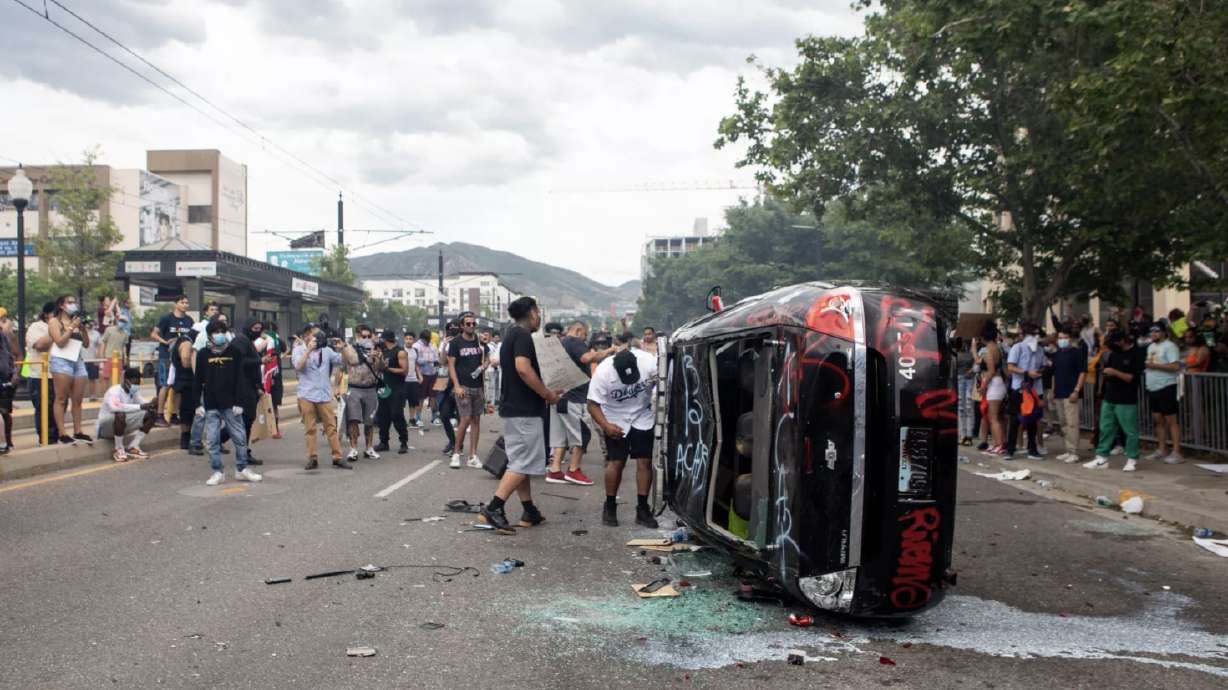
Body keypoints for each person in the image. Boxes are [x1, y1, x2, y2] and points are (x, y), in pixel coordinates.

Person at [479, 297, 562, 532]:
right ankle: (493, 508)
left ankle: (529, 510)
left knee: (520, 462)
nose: (539, 317)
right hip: (525, 410)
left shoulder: (511, 335)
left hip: (515, 408)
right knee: (523, 462)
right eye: (538, 312)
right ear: (533, 312)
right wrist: (547, 394)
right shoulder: (523, 336)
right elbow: (523, 369)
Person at [588, 332, 659, 528]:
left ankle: (642, 509)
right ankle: (610, 506)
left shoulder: (649, 362)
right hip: (614, 416)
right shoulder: (603, 372)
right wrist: (606, 426)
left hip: (642, 414)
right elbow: (592, 404)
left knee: (644, 461)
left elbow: (664, 384)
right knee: (616, 462)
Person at [547, 321, 615, 485]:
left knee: (561, 435)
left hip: (560, 396)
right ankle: (574, 470)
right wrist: (609, 351)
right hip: (574, 398)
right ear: (578, 331)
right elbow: (587, 357)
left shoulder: (560, 343)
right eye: (584, 335)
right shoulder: (574, 341)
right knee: (583, 434)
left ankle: (555, 470)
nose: (585, 339)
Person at [195, 319, 262, 485]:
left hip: (231, 404)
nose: (219, 335)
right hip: (211, 403)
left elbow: (240, 378)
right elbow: (198, 380)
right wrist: (197, 404)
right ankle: (217, 472)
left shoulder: (234, 352)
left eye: (222, 332)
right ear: (209, 335)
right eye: (215, 332)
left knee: (240, 437)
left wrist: (239, 402)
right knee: (212, 440)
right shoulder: (203, 354)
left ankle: (242, 469)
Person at [1084, 330, 1143, 471]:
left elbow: (1131, 378)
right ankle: (1101, 458)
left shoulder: (1136, 354)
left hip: (1126, 399)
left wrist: (1115, 372)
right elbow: (1107, 371)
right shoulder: (1113, 354)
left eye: (1115, 342)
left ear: (1123, 340)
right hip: (1109, 397)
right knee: (1105, 428)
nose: (1112, 345)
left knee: (1130, 430)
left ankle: (1132, 458)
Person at [292, 324, 349, 470]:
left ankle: (337, 457)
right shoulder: (298, 350)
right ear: (306, 336)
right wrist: (308, 350)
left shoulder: (326, 350)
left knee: (331, 427)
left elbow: (342, 361)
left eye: (318, 335)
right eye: (314, 335)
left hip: (324, 394)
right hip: (306, 394)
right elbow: (298, 366)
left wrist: (343, 348)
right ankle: (312, 458)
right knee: (310, 428)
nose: (317, 338)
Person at [48, 294, 93, 445]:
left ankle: (78, 431)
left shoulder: (77, 321)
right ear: (61, 305)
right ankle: (62, 433)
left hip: (77, 360)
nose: (73, 305)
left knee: (78, 399)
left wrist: (83, 329)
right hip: (61, 360)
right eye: (70, 302)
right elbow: (60, 342)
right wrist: (72, 326)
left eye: (74, 302)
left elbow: (86, 344)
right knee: (61, 398)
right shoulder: (54, 321)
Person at [448, 313, 488, 469]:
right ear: (462, 326)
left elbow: (486, 358)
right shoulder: (456, 342)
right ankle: (456, 453)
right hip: (463, 386)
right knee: (464, 419)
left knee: (476, 420)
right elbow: (451, 365)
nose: (471, 326)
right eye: (468, 324)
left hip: (478, 386)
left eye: (473, 324)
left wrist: (484, 365)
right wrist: (457, 386)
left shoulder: (479, 341)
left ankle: (473, 455)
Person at [341, 325, 385, 461]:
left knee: (369, 421)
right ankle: (353, 449)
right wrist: (367, 354)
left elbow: (380, 368)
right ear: (357, 336)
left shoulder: (376, 349)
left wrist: (378, 357)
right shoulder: (349, 348)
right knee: (353, 420)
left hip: (370, 388)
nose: (366, 339)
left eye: (368, 336)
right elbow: (352, 361)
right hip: (354, 388)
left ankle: (369, 448)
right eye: (363, 336)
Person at [1004, 321, 1046, 460]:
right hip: (1019, 388)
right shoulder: (1018, 347)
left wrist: (1040, 371)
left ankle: (1032, 449)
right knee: (1015, 420)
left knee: (1033, 420)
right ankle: (1010, 450)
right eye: (1033, 335)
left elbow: (1043, 365)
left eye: (1037, 335)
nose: (1036, 338)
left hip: (1035, 389)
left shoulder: (1040, 350)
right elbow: (1010, 367)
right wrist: (1026, 372)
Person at [98, 367, 157, 462]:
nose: (136, 386)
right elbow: (116, 407)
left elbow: (141, 402)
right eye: (134, 383)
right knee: (120, 414)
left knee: (152, 413)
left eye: (138, 383)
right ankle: (119, 449)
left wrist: (152, 404)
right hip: (105, 428)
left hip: (122, 425)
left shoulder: (133, 392)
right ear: (126, 380)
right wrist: (141, 406)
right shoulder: (114, 391)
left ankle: (133, 446)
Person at [151, 295, 194, 427]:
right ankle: (159, 415)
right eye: (182, 302)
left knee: (178, 385)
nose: (185, 305)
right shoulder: (167, 319)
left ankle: (174, 414)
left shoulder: (189, 320)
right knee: (165, 384)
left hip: (180, 358)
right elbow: (154, 334)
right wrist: (165, 342)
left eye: (187, 303)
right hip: (166, 356)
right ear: (176, 304)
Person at [1144, 323, 1183, 464]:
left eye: (1157, 331)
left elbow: (1175, 366)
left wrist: (1155, 366)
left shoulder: (1170, 346)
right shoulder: (1150, 347)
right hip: (1152, 386)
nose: (1153, 334)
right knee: (1158, 420)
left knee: (1171, 420)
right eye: (1151, 331)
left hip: (1166, 386)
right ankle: (1161, 449)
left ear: (1164, 332)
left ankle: (1176, 452)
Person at [231, 319, 268, 466]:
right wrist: (260, 360)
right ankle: (242, 453)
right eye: (255, 328)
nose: (257, 332)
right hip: (243, 387)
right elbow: (240, 361)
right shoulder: (241, 341)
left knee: (246, 420)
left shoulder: (248, 341)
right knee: (245, 419)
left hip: (251, 386)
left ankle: (243, 452)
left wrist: (258, 386)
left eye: (259, 329)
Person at [24, 302, 60, 444]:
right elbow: (40, 345)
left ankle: (56, 437)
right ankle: (46, 439)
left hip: (59, 374)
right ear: (46, 314)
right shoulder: (36, 327)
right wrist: (54, 331)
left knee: (58, 407)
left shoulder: (64, 328)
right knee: (44, 408)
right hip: (40, 376)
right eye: (55, 314)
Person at [1051, 327, 1087, 463]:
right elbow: (1054, 373)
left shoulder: (1077, 353)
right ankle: (1068, 449)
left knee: (1072, 423)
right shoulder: (1057, 354)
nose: (1062, 340)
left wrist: (1076, 390)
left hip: (1071, 393)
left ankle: (1074, 452)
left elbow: (1082, 372)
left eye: (1064, 338)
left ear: (1070, 339)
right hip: (1059, 392)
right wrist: (1053, 390)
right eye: (1060, 338)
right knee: (1063, 423)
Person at [374, 329, 410, 455]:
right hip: (384, 387)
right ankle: (383, 442)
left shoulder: (400, 352)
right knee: (383, 415)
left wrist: (388, 368)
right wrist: (378, 359)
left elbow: (404, 371)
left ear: (386, 340)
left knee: (396, 414)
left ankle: (403, 441)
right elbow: (378, 368)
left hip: (397, 388)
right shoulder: (383, 352)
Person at [977, 320, 1007, 455]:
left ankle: (999, 445)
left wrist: (983, 385)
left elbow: (991, 371)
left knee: (993, 417)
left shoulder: (988, 350)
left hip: (994, 384)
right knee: (997, 417)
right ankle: (998, 443)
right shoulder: (998, 348)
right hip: (999, 383)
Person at [263, 321, 288, 438]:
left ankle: (267, 429)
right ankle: (275, 430)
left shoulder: (262, 340)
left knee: (265, 403)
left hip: (265, 375)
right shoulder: (277, 340)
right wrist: (281, 356)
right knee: (274, 404)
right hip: (275, 375)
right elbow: (286, 349)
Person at [412, 330, 438, 426]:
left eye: (428, 339)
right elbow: (415, 360)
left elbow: (436, 359)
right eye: (426, 339)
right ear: (422, 338)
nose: (427, 341)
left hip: (433, 373)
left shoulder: (432, 346)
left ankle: (434, 417)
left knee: (433, 396)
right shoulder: (416, 346)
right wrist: (426, 360)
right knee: (421, 397)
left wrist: (434, 361)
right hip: (421, 374)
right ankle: (418, 417)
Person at [0, 311, 17, 454]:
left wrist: (14, 373)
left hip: (4, 377)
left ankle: (6, 441)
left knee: (4, 411)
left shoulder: (5, 336)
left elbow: (12, 355)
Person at [954, 337, 975, 445]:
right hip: (960, 379)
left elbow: (977, 365)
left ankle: (968, 435)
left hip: (968, 380)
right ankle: (963, 435)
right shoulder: (955, 354)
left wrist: (972, 370)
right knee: (962, 408)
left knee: (968, 407)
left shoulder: (971, 352)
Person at [402, 332, 424, 433]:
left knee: (413, 401)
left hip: (413, 379)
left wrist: (419, 375)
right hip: (403, 380)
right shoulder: (401, 350)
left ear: (413, 340)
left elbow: (415, 364)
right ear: (404, 339)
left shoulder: (415, 350)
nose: (408, 341)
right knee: (401, 402)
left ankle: (412, 420)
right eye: (407, 338)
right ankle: (401, 420)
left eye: (410, 339)